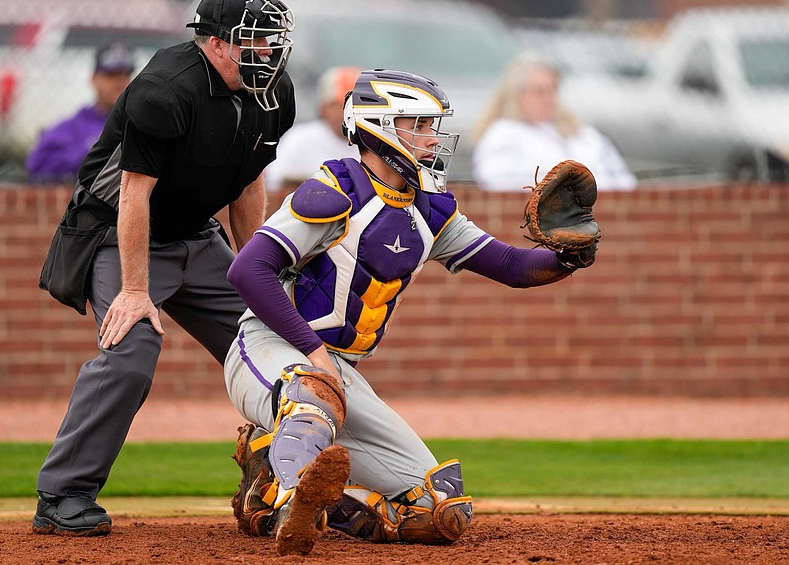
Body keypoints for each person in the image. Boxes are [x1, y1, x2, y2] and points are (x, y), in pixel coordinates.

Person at [223, 69, 597, 556]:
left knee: (438, 511)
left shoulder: (430, 209)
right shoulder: (334, 189)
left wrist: (567, 258)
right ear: (378, 127)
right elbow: (248, 270)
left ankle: (269, 476)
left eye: (431, 125)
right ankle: (292, 504)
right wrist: (314, 352)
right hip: (270, 347)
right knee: (314, 395)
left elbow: (511, 265)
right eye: (417, 125)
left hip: (337, 370)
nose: (431, 138)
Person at [32, 0, 296, 537]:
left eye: (272, 39)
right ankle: (62, 495)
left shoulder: (272, 91)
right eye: (254, 39)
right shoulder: (165, 89)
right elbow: (134, 195)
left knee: (275, 344)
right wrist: (134, 291)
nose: (268, 51)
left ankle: (284, 474)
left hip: (196, 236)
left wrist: (259, 279)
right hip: (117, 232)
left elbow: (248, 184)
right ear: (215, 43)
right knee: (131, 350)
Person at [472, 56, 638, 191]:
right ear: (516, 95)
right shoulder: (503, 135)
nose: (547, 99)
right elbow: (498, 187)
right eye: (539, 91)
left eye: (552, 90)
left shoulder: (584, 134)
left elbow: (625, 181)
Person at [25, 43, 136, 184]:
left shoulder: (140, 124)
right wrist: (90, 154)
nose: (119, 82)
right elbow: (35, 168)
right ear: (94, 79)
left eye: (125, 75)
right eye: (111, 75)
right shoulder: (70, 128)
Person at [265, 65, 362, 190]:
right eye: (344, 105)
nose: (352, 112)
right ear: (325, 107)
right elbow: (274, 183)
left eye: (357, 106)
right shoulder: (300, 139)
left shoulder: (374, 143)